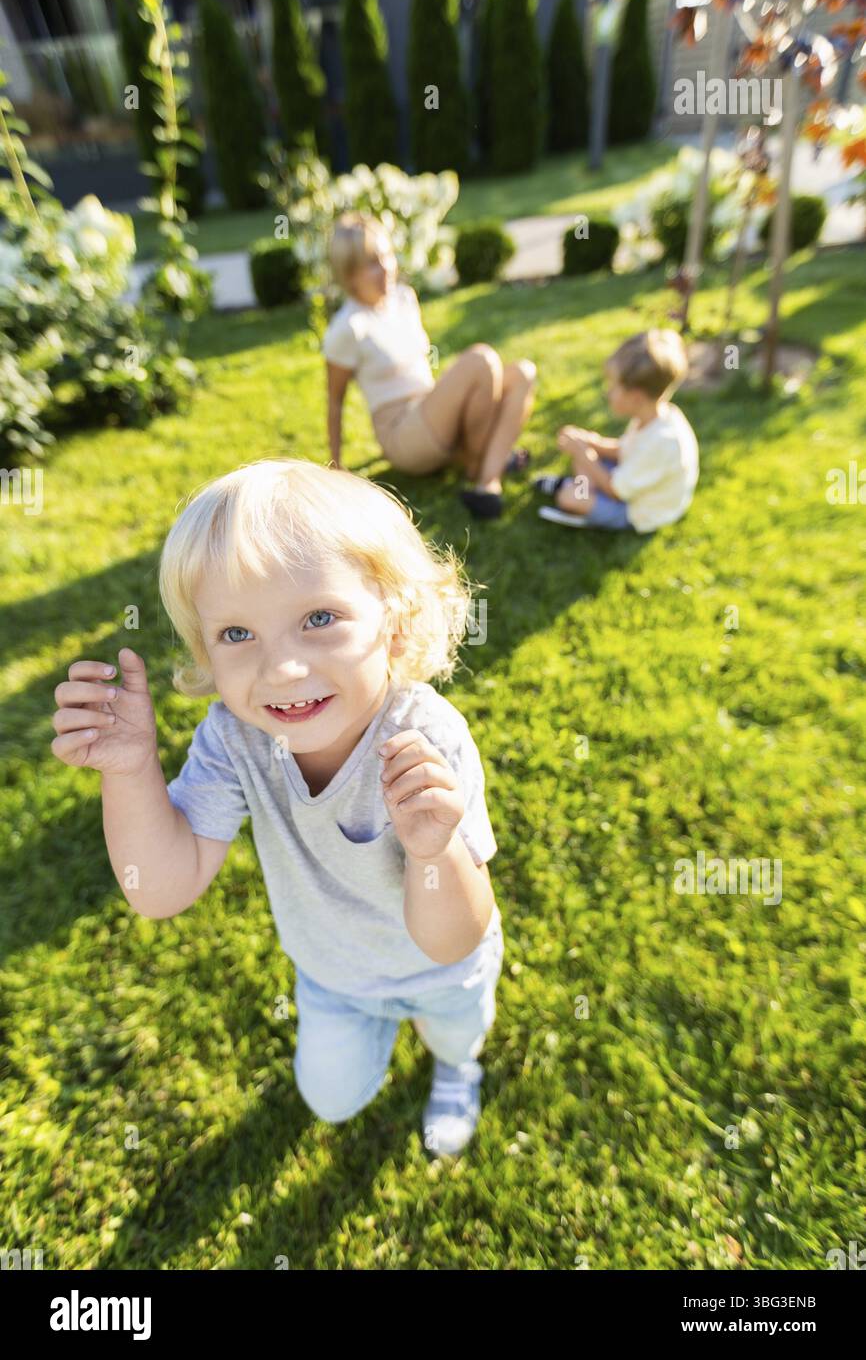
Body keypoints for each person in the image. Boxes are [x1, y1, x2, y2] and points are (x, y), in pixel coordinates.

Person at [50, 459, 504, 1159]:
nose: (282, 669)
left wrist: (433, 848)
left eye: (319, 618)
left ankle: (455, 1067)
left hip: (441, 972)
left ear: (394, 617)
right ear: (206, 648)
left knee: (456, 1033)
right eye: (237, 634)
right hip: (333, 976)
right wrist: (132, 769)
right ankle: (380, 1033)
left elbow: (452, 939)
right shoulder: (236, 738)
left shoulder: (426, 740)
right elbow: (160, 888)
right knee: (331, 1100)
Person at [323, 211, 537, 520]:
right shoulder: (346, 328)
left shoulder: (404, 298)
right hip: (402, 433)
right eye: (371, 264)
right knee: (481, 360)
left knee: (522, 374)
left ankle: (487, 483)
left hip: (431, 407)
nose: (385, 269)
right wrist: (335, 470)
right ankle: (484, 460)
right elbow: (335, 401)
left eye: (386, 257)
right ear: (350, 274)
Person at [534, 329, 699, 533]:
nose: (607, 392)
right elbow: (625, 449)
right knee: (584, 458)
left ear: (635, 397)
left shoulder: (663, 442)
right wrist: (591, 442)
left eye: (613, 386)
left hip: (639, 510)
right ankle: (581, 489)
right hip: (632, 482)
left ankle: (577, 498)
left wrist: (584, 453)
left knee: (569, 496)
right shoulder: (656, 417)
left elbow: (617, 492)